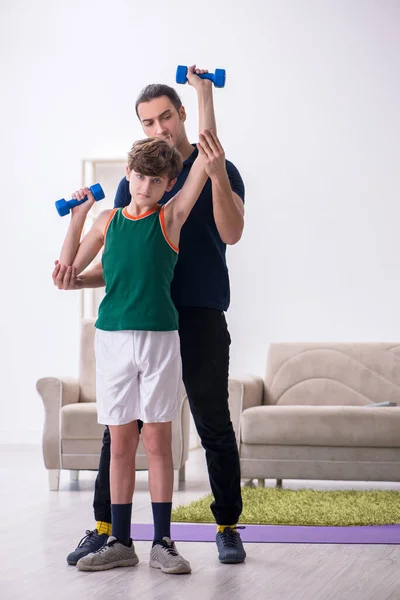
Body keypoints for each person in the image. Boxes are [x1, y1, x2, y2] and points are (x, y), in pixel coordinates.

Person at [53, 67, 246, 566]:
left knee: (206, 423)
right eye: (148, 122)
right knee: (119, 432)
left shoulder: (189, 191)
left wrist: (205, 94)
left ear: (180, 116)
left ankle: (222, 525)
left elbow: (221, 201)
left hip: (195, 313)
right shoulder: (125, 200)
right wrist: (76, 250)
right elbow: (106, 265)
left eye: (166, 117)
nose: (159, 128)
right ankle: (109, 531)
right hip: (132, 323)